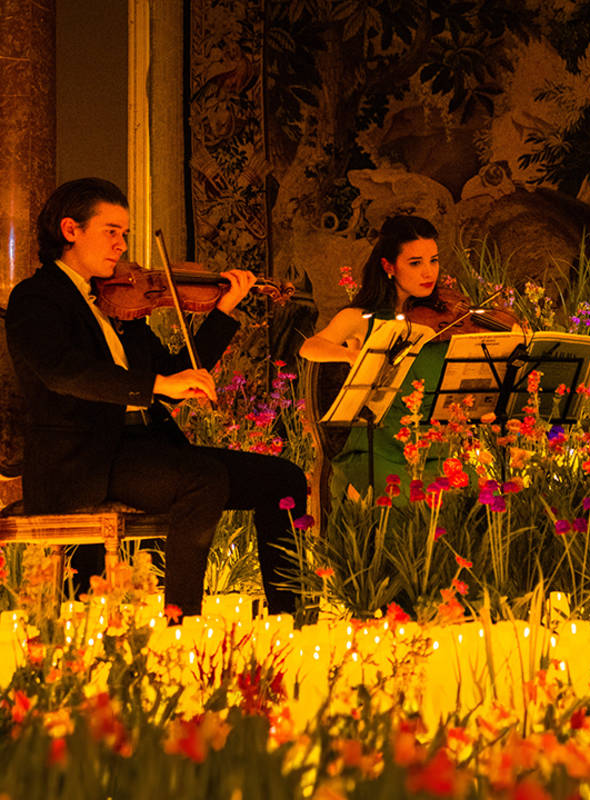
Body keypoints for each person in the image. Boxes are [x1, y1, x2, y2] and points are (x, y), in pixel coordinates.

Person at [5, 178, 308, 618]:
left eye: (125, 233)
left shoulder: (117, 304)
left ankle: (292, 615)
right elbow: (62, 372)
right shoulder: (36, 298)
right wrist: (153, 386)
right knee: (201, 479)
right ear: (71, 230)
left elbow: (174, 377)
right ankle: (181, 619)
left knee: (284, 479)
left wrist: (222, 313)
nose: (122, 244)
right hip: (83, 460)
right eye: (112, 231)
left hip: (139, 451)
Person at [300, 215, 518, 500]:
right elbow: (311, 347)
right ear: (389, 266)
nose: (428, 273)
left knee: (482, 497)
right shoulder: (360, 318)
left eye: (434, 261)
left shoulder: (448, 318)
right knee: (406, 497)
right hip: (378, 446)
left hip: (438, 446)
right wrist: (353, 356)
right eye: (415, 263)